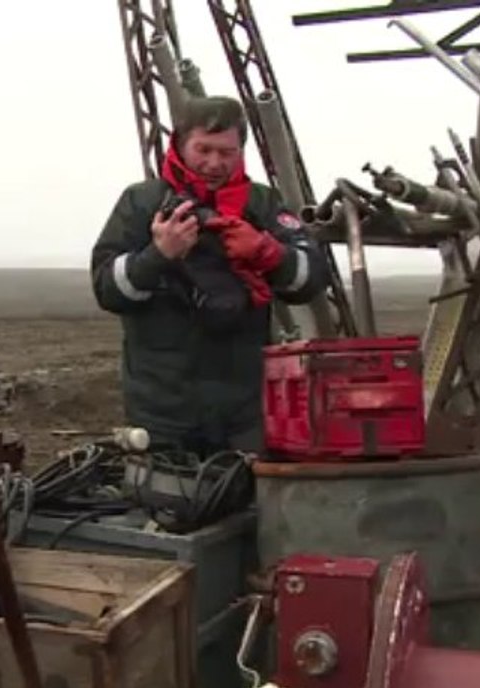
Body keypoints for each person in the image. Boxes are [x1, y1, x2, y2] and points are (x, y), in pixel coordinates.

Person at [90, 96, 329, 455]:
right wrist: (158, 255)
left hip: (245, 409)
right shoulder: (142, 203)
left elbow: (312, 279)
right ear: (180, 145)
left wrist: (269, 252)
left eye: (226, 152)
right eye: (203, 149)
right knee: (170, 505)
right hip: (162, 409)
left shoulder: (261, 205)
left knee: (249, 505)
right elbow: (108, 289)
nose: (214, 163)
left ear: (240, 152)